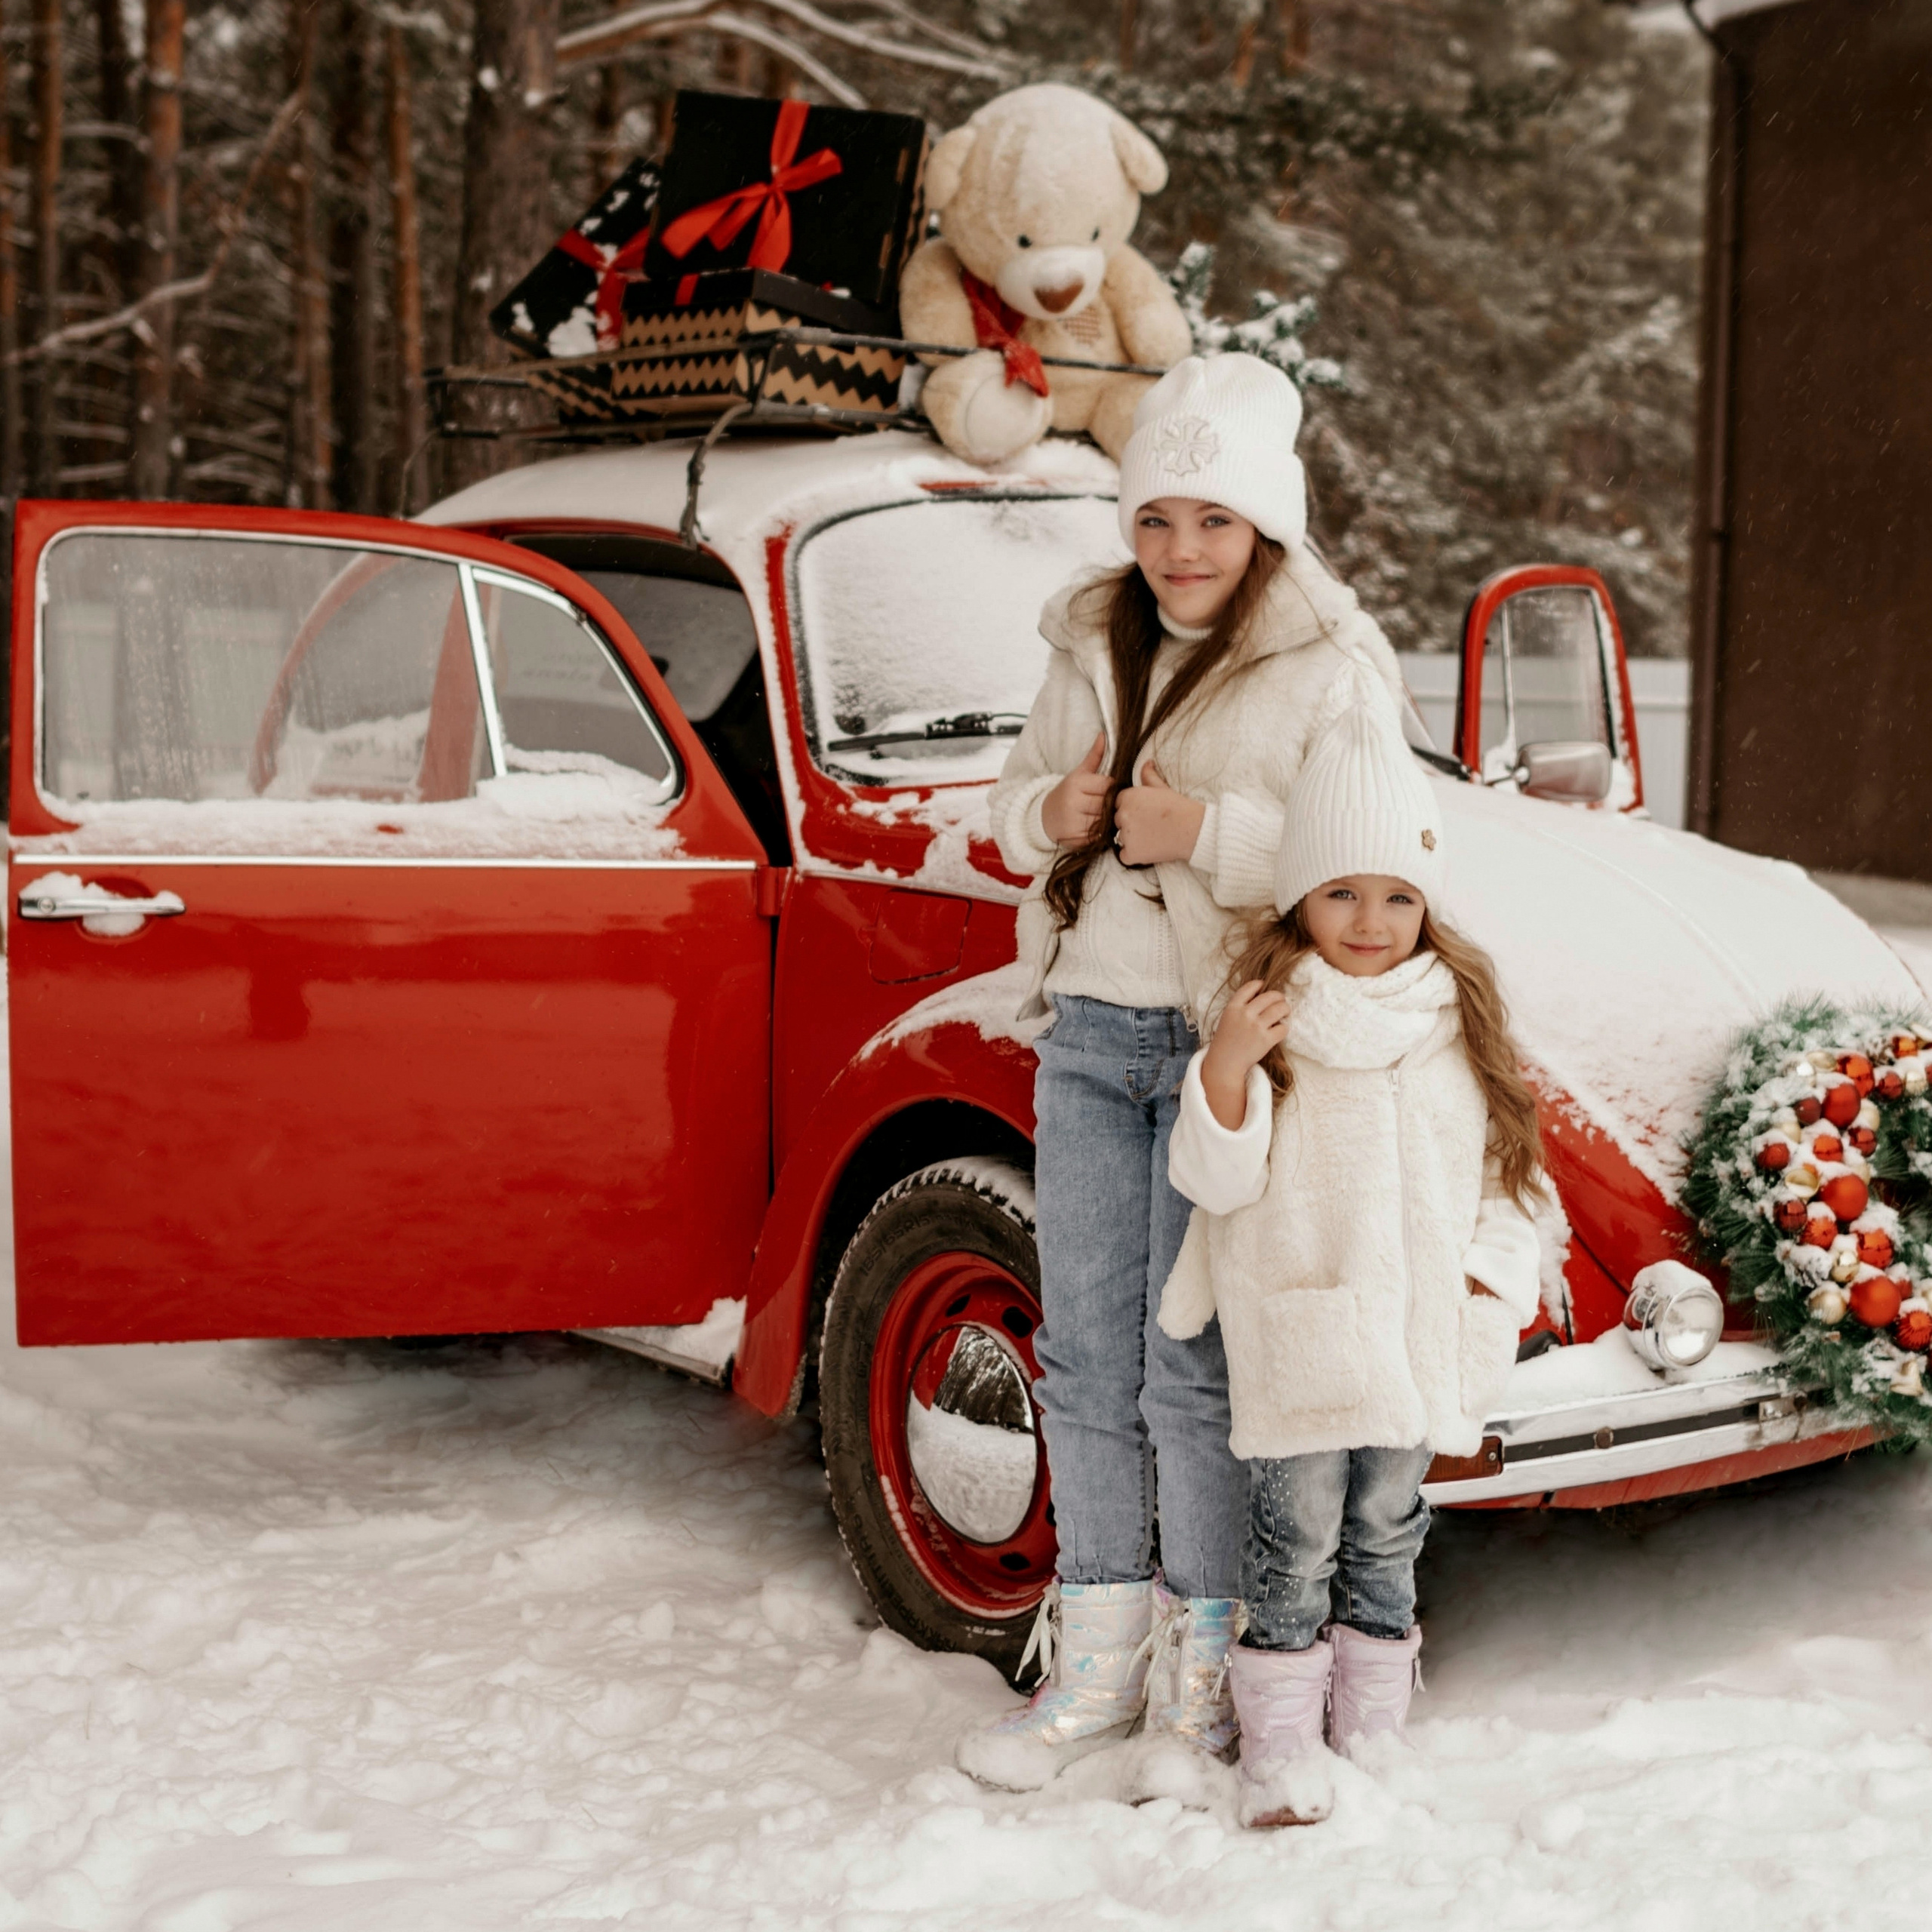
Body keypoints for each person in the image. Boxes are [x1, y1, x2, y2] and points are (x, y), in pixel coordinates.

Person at [958, 352, 1407, 1795]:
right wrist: (1057, 807)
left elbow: (1385, 865)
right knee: (1083, 1357)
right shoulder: (1091, 632)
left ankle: (1200, 1689)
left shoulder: (1333, 664)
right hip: (1090, 1030)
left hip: (1231, 1049)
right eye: (1157, 519)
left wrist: (1204, 829)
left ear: (1265, 525)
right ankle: (1092, 1675)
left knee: (1193, 1371)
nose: (1182, 551)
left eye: (1213, 521)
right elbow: (1011, 801)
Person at [1160, 700, 1546, 1827]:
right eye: (1340, 892)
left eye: (1395, 895)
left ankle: (1371, 1736)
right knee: (1298, 1536)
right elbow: (1215, 1180)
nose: (1369, 920)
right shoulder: (1272, 1017)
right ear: (1298, 898)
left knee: (1389, 1531)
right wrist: (1228, 1064)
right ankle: (1280, 1755)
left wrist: (1490, 1284)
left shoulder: (1455, 1019)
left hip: (1424, 1332)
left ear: (1427, 901)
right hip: (1307, 1329)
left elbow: (1507, 1176)